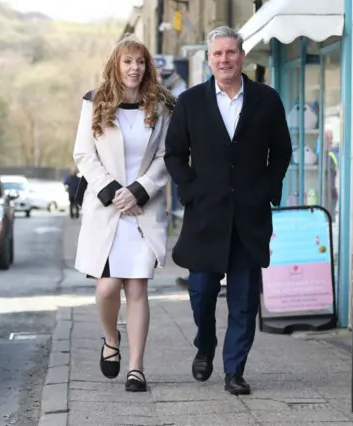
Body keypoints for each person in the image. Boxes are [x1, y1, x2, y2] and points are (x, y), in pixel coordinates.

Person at [164, 26, 292, 395]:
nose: (224, 60)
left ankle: (234, 371)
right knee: (201, 292)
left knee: (244, 299)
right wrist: (190, 190)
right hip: (205, 216)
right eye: (217, 54)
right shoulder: (190, 101)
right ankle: (205, 342)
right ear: (209, 59)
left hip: (249, 218)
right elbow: (174, 153)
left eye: (231, 53)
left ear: (242, 55)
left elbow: (281, 151)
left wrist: (268, 189)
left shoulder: (267, 100)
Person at [72, 34, 175, 392]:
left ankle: (136, 368)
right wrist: (112, 191)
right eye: (128, 62)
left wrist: (140, 190)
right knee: (107, 287)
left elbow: (166, 156)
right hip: (108, 209)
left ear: (148, 67)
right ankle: (110, 339)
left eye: (140, 62)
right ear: (117, 65)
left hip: (143, 210)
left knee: (136, 289)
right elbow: (84, 154)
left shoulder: (161, 106)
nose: (134, 68)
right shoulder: (95, 103)